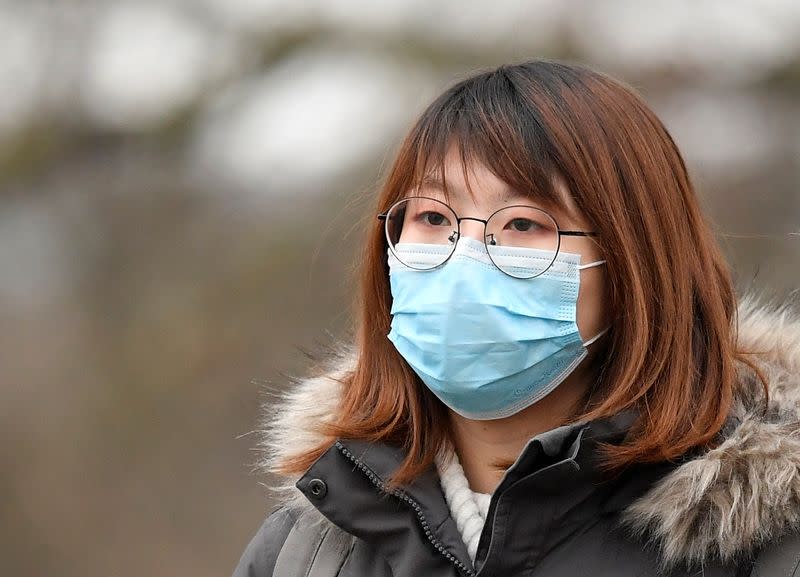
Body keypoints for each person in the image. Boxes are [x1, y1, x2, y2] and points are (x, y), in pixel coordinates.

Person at [231, 60, 800, 577]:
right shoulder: (305, 554)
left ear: (635, 266)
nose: (464, 257)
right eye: (432, 215)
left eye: (523, 224)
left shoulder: (760, 545)